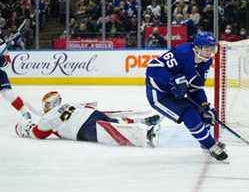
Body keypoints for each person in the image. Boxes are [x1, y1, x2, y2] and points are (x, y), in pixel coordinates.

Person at [145, 31, 228, 161]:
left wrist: (204, 105)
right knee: (189, 113)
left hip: (176, 93)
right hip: (160, 94)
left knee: (203, 114)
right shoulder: (182, 53)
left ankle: (205, 143)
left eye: (212, 48)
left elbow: (196, 88)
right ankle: (211, 145)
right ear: (196, 48)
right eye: (206, 48)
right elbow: (153, 67)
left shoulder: (205, 62)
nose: (209, 52)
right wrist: (172, 79)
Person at [15, 91, 161, 148]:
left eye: (46, 104)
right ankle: (141, 122)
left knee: (114, 133)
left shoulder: (47, 117)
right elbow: (90, 105)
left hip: (81, 129)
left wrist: (25, 128)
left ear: (52, 103)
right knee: (115, 122)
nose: (45, 106)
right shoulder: (68, 104)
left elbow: (38, 134)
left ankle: (146, 134)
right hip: (91, 114)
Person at [0, 37, 33, 122]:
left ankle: (24, 111)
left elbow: (7, 63)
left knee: (8, 94)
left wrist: (2, 61)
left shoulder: (1, 44)